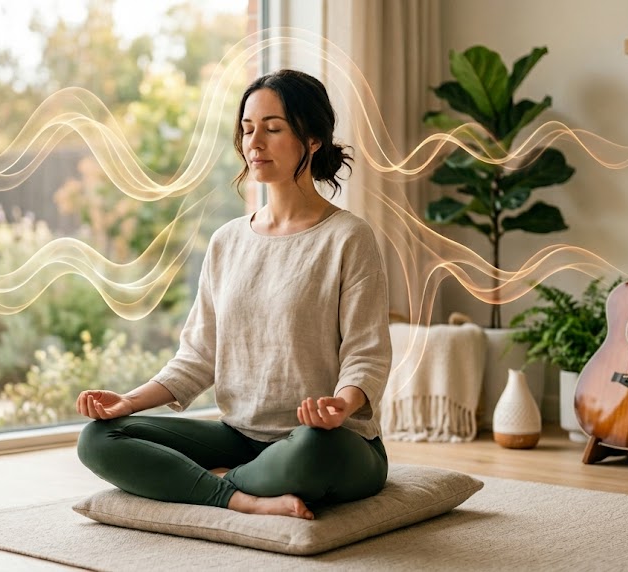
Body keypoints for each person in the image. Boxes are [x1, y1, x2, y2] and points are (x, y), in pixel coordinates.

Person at [75, 69, 391, 520]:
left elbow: (367, 353)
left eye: (273, 128)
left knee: (311, 452)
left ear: (314, 138)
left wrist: (341, 405)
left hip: (328, 441)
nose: (254, 143)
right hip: (240, 435)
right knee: (99, 438)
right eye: (247, 130)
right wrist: (129, 401)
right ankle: (240, 497)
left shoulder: (348, 238)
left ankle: (202, 483)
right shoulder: (227, 241)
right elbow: (198, 357)